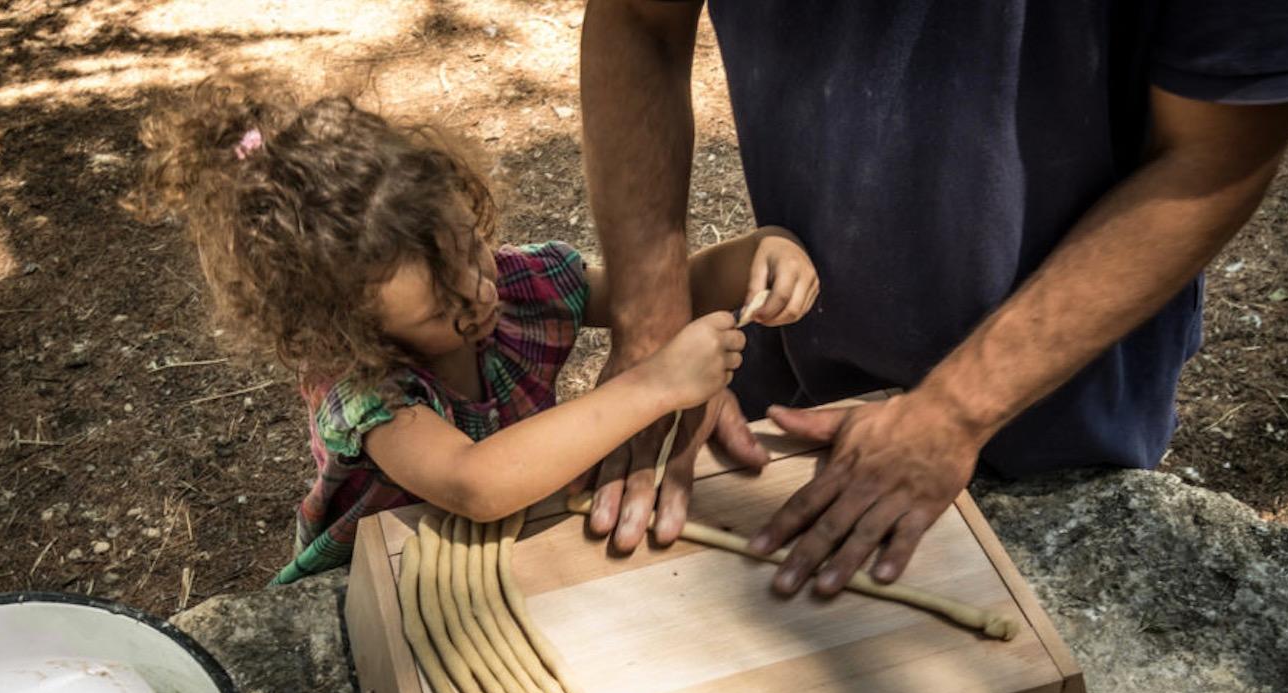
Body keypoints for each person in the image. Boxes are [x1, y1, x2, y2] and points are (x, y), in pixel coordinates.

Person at [579, 1, 1288, 597]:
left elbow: (1215, 152)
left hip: (1059, 405)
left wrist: (954, 409)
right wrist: (652, 337)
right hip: (784, 374)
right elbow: (640, 18)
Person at [130, 80, 819, 584]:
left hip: (522, 549)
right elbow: (475, 483)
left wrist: (762, 252)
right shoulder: (370, 392)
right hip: (391, 584)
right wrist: (656, 384)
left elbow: (665, 291)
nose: (480, 290)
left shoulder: (515, 285)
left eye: (470, 248)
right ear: (350, 329)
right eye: (440, 306)